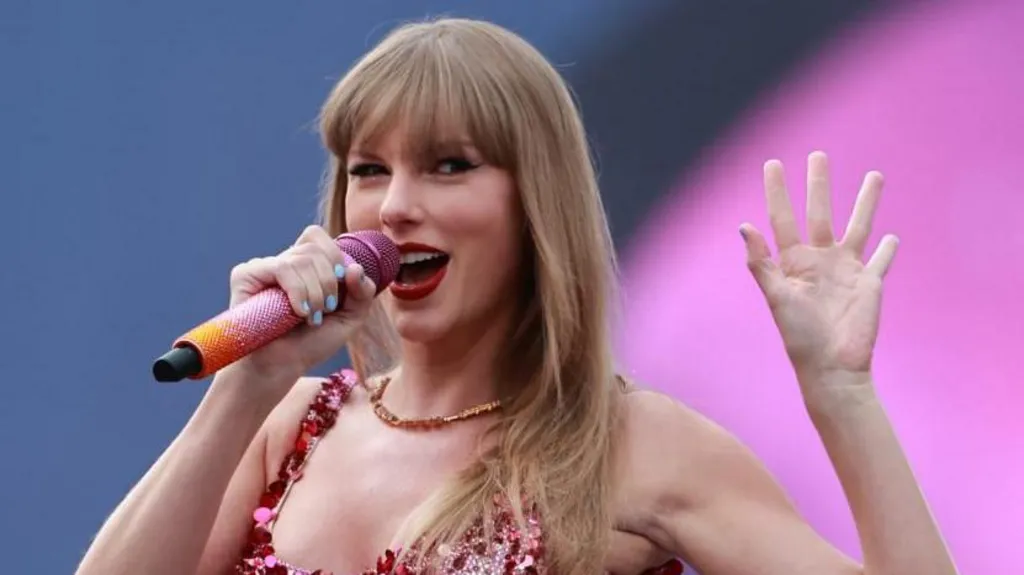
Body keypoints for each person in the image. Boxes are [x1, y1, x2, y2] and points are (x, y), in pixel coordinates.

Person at [75, 17, 958, 575]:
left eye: (449, 166)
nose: (397, 204)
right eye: (369, 170)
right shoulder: (286, 427)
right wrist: (246, 386)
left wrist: (842, 396)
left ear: (535, 203)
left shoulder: (634, 445)